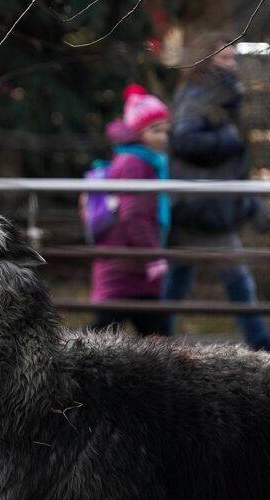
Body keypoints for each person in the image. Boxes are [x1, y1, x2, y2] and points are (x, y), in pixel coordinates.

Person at [165, 34, 270, 352]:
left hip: (207, 204)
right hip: (203, 206)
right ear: (207, 61)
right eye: (224, 58)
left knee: (181, 277)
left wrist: (247, 201)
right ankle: (262, 345)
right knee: (236, 278)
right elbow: (184, 140)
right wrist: (227, 139)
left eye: (233, 58)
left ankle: (157, 338)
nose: (232, 64)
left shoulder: (221, 95)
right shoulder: (200, 96)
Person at [89, 84, 171, 336]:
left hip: (127, 263)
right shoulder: (136, 163)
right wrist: (152, 256)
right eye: (155, 130)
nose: (163, 137)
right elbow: (134, 214)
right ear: (138, 132)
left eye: (165, 130)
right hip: (129, 263)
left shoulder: (140, 161)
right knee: (112, 332)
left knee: (111, 331)